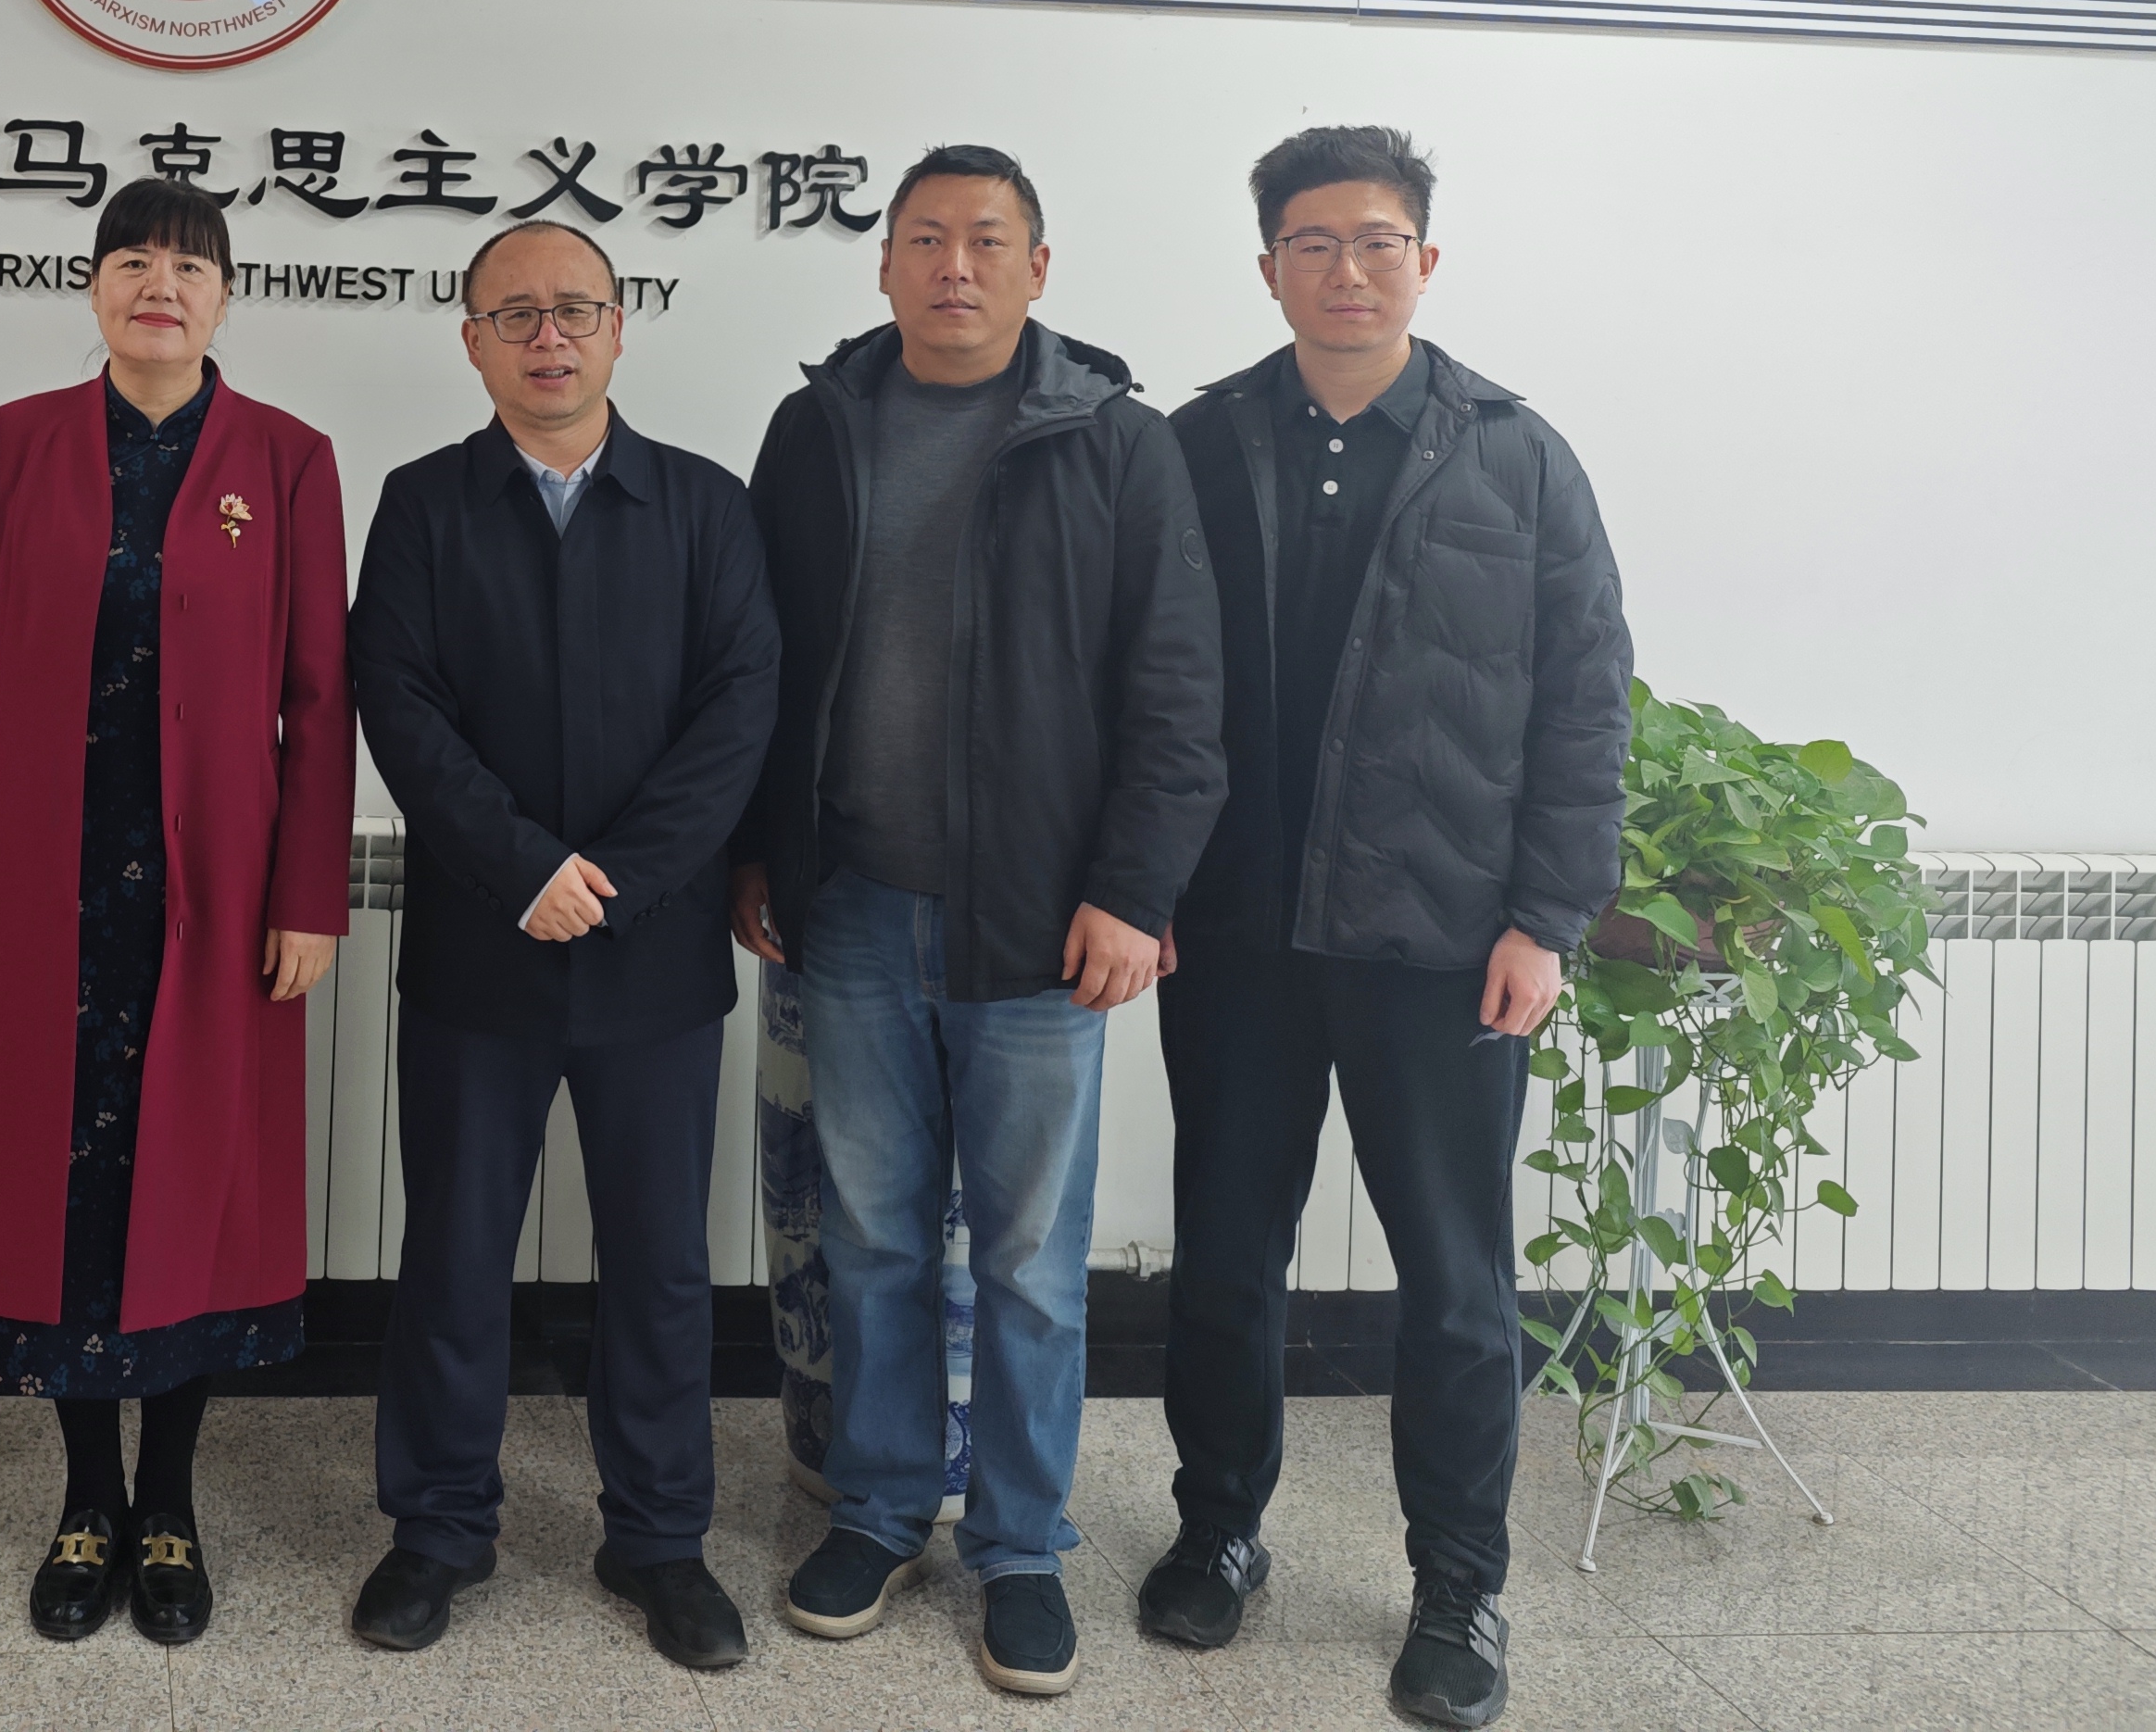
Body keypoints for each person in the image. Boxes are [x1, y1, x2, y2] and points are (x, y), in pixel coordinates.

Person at [1141, 127, 1630, 1731]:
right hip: (1238, 936)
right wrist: (1142, 886)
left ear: (1426, 260)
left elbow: (1584, 703)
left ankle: (1461, 1586)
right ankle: (1219, 1530)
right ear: (1267, 266)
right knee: (1226, 1256)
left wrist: (1546, 918)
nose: (1345, 270)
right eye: (1312, 243)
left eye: (1375, 241)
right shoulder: (1198, 445)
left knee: (1456, 1285)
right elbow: (1138, 682)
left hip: (1442, 946)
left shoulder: (1518, 457)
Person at [732, 144, 1226, 1700]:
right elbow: (758, 662)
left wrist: (1135, 891)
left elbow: (1178, 691)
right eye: (927, 238)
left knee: (1025, 1259)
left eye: (988, 240)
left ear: (1038, 268)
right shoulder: (817, 429)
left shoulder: (1118, 444)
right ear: (883, 263)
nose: (955, 264)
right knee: (872, 1235)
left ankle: (1019, 1545)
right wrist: (763, 854)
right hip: (853, 909)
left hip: (1039, 924)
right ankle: (879, 1511)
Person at [0, 177, 353, 1650]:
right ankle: (87, 1497)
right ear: (95, 285)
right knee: (68, 1198)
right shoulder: (19, 442)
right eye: (135, 260)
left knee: (191, 1197)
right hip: (45, 883)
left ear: (226, 296)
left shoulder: (287, 460)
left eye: (190, 265)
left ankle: (171, 1502)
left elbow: (319, 700)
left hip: (214, 895)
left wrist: (309, 895)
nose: (162, 284)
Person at [345, 221, 780, 1672]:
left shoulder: (705, 505)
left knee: (660, 1263)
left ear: (619, 328)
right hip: (483, 948)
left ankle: (659, 1538)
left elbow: (739, 712)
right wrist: (524, 868)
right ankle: (438, 1527)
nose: (549, 337)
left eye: (576, 310)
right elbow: (399, 702)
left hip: (654, 957)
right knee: (455, 1252)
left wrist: (619, 880)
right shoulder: (423, 504)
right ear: (470, 339)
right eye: (516, 313)